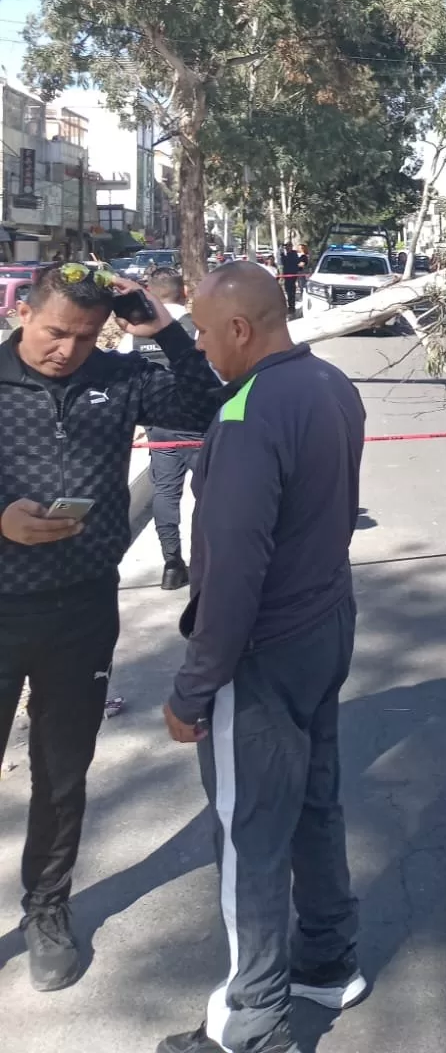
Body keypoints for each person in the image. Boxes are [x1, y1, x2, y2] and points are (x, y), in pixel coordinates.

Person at [157, 262, 367, 1053]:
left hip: (264, 652)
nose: (204, 347)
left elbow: (233, 570)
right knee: (315, 801)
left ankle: (254, 1024)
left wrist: (194, 686)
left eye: (207, 333)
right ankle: (329, 957)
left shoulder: (247, 415)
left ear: (242, 329)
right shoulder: (331, 384)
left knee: (249, 836)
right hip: (325, 627)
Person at [0, 263, 222, 990]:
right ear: (24, 312)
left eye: (84, 336)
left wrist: (163, 330)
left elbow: (207, 403)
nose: (66, 348)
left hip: (82, 611)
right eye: (54, 331)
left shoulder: (119, 377)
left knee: (62, 777)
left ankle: (48, 909)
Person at [117, 268, 203, 590]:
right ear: (183, 293)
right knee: (207, 494)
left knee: (165, 493)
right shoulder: (197, 328)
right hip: (199, 425)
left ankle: (171, 563)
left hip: (159, 428)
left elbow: (122, 376)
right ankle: (204, 558)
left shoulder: (135, 333)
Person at [279, 242, 302, 318]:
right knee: (288, 291)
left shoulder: (293, 254)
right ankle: (290, 306)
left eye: (288, 246)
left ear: (291, 247)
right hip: (287, 275)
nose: (286, 248)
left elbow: (288, 262)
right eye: (286, 247)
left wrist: (283, 255)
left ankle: (292, 307)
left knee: (291, 291)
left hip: (292, 275)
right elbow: (283, 263)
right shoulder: (287, 254)